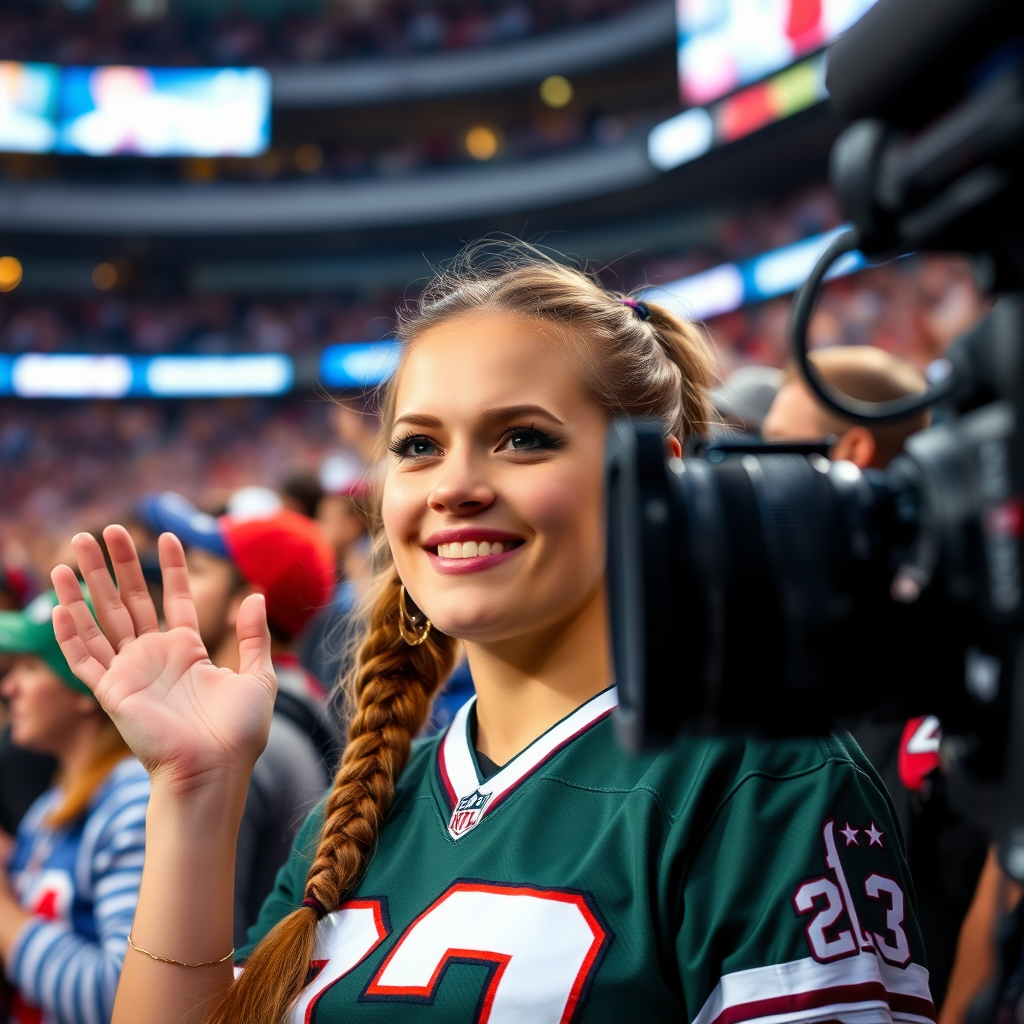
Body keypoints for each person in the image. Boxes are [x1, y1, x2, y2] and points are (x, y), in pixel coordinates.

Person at [50, 245, 934, 1024]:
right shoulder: (357, 814)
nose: (455, 485)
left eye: (521, 439)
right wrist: (194, 795)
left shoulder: (760, 776)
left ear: (649, 481)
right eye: (419, 446)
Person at [761, 344, 988, 1005]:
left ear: (852, 450)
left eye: (776, 443)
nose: (755, 464)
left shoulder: (948, 666)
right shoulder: (790, 643)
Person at [137, 495, 339, 946]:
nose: (179, 585)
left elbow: (190, 955)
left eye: (201, 570)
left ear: (245, 604)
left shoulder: (243, 738)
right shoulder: (294, 700)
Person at [0, 587, 149, 1024]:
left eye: (30, 667)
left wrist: (4, 916)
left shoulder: (133, 799)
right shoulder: (54, 799)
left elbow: (125, 997)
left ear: (89, 687)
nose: (8, 687)